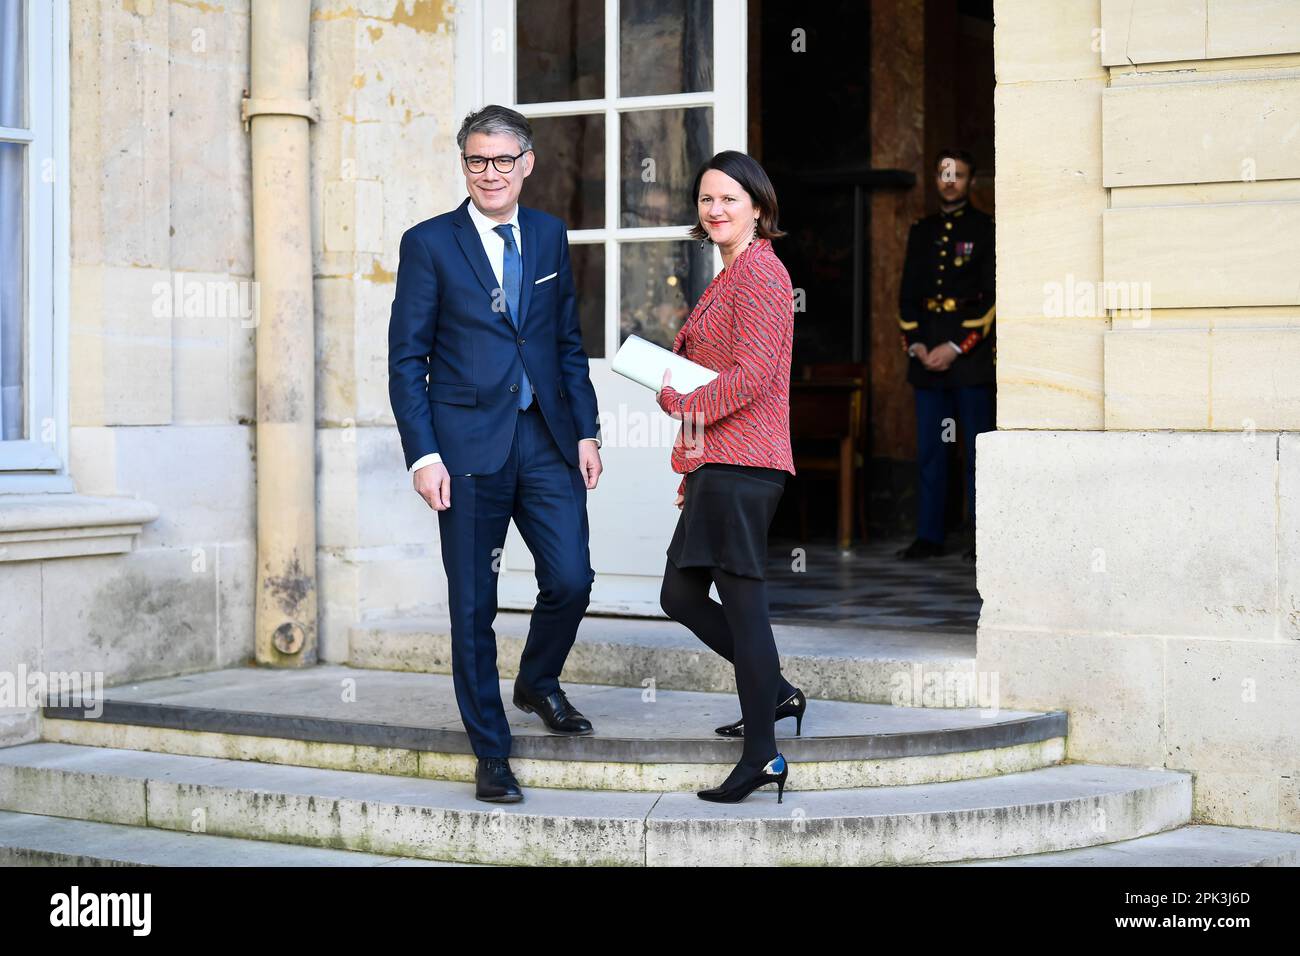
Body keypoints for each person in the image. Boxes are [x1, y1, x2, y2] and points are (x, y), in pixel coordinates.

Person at [387, 105, 603, 804]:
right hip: (467, 453)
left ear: (527, 163)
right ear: (463, 164)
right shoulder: (428, 244)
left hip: (544, 439)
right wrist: (424, 456)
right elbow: (406, 361)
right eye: (477, 160)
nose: (490, 173)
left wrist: (586, 430)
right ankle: (492, 751)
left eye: (503, 160)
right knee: (473, 605)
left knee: (571, 577)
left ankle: (537, 681)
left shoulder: (547, 235)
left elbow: (565, 342)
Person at [655, 150, 800, 804]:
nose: (715, 209)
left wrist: (686, 405)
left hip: (748, 466)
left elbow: (753, 376)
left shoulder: (763, 275)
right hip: (721, 464)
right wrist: (694, 458)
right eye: (707, 199)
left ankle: (763, 758)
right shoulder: (728, 274)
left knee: (745, 612)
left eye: (729, 200)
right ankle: (775, 694)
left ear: (758, 208)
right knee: (680, 597)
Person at [895, 148, 996, 564]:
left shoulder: (985, 228)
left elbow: (991, 297)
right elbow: (905, 293)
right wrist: (916, 342)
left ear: (971, 181)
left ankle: (981, 540)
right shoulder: (922, 231)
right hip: (926, 356)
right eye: (943, 173)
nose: (949, 180)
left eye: (958, 173)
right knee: (931, 451)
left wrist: (955, 347)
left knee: (975, 452)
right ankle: (929, 536)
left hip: (968, 360)